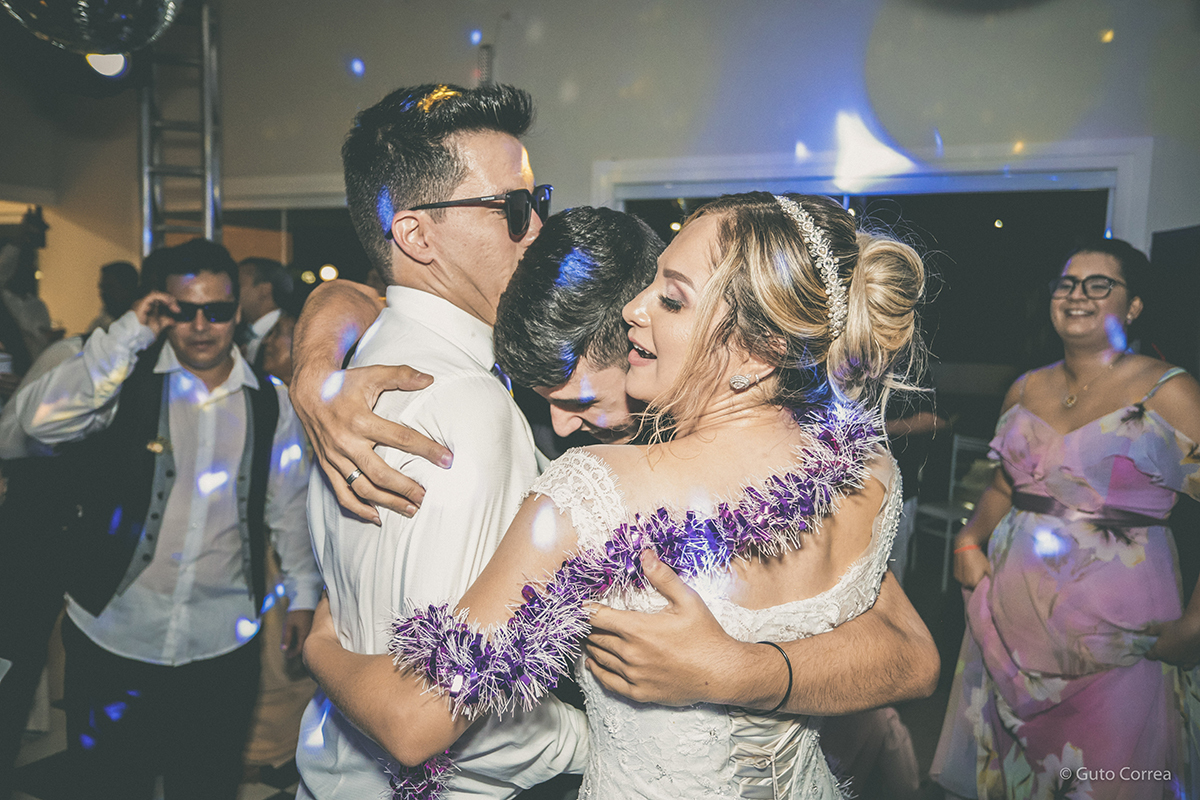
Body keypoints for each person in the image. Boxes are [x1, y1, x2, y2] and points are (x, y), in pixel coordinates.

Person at [301, 190, 928, 798]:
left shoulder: (593, 490)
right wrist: (314, 369)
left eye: (671, 299)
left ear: (758, 350)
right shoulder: (861, 469)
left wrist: (321, 647)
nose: (636, 309)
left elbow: (912, 656)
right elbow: (368, 297)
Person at [294, 83, 592, 800]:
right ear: (416, 236)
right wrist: (603, 741)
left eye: (538, 199)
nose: (537, 227)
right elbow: (445, 713)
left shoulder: (360, 370)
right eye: (511, 207)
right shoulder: (463, 402)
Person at [8, 238, 322, 800]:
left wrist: (301, 594)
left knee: (205, 787)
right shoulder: (122, 381)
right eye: (184, 310)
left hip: (222, 646)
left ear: (237, 312)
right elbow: (39, 423)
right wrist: (129, 333)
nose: (201, 326)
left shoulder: (270, 402)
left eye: (217, 310)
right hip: (112, 635)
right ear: (161, 310)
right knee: (107, 787)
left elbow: (289, 506)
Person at [936, 238, 1200, 799]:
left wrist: (1195, 626)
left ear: (1134, 305)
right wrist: (968, 539)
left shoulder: (1169, 390)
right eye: (1067, 283)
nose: (1078, 294)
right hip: (1010, 627)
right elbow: (1005, 483)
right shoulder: (1025, 387)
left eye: (1099, 284)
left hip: (1119, 638)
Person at [238, 256, 294, 366]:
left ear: (264, 290)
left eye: (238, 286)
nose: (231, 293)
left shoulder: (290, 335)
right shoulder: (239, 334)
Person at [86, 260, 140, 334]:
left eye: (109, 287)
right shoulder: (99, 326)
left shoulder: (145, 325)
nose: (103, 294)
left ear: (128, 288)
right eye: (102, 288)